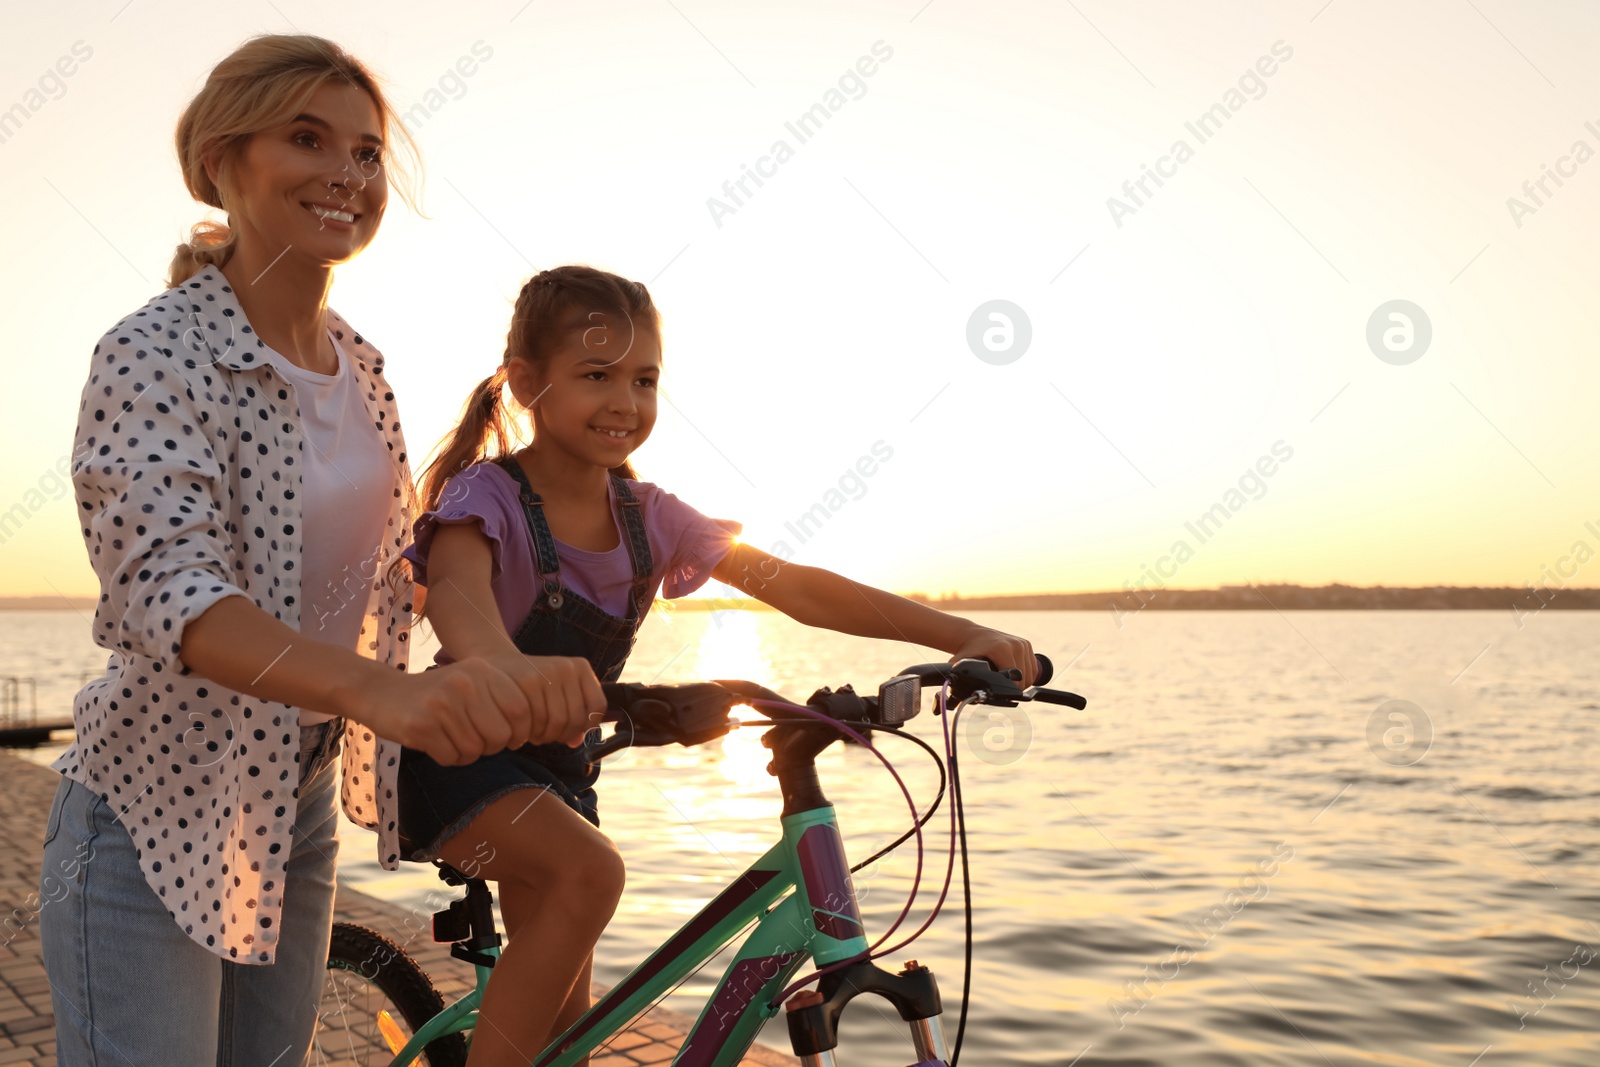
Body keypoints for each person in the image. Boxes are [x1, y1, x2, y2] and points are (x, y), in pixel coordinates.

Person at [41, 36, 600, 1067]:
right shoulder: (152, 350)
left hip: (290, 803)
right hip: (152, 809)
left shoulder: (364, 368)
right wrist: (374, 694)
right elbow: (172, 590)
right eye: (308, 138)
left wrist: (497, 665)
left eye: (367, 151)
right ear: (220, 159)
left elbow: (401, 572)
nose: (348, 173)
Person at [397, 263, 1039, 1067]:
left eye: (645, 379)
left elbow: (797, 587)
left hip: (559, 767)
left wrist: (959, 633)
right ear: (528, 382)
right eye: (596, 375)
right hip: (459, 754)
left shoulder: (650, 516)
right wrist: (502, 665)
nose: (625, 402)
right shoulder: (485, 495)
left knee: (567, 1031)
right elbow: (456, 593)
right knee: (590, 877)